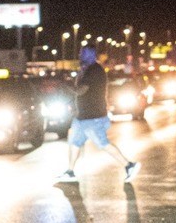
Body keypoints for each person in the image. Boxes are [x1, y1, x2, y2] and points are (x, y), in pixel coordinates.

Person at [55, 45, 140, 183]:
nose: (79, 55)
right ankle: (70, 172)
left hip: (93, 116)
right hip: (82, 116)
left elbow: (81, 90)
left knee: (102, 143)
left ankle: (129, 165)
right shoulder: (87, 69)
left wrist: (67, 85)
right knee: (74, 142)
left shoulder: (94, 70)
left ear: (89, 55)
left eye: (82, 53)